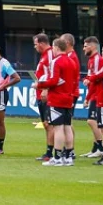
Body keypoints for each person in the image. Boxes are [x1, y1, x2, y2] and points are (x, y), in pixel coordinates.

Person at [34, 38, 78, 166]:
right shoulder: (72, 61)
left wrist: (39, 84)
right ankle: (68, 157)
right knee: (67, 127)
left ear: (56, 47)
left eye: (53, 47)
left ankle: (58, 158)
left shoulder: (56, 61)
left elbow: (53, 81)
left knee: (58, 128)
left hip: (57, 98)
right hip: (69, 97)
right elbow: (74, 81)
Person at [33, 33, 55, 161]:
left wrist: (46, 89)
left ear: (41, 43)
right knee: (46, 124)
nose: (35, 47)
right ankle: (49, 152)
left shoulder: (50, 54)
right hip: (40, 93)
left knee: (50, 124)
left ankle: (51, 152)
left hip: (47, 94)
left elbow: (53, 73)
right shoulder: (43, 56)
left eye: (35, 44)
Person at [81, 36, 103, 158]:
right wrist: (86, 79)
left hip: (96, 94)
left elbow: (95, 80)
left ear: (93, 46)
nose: (83, 48)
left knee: (91, 121)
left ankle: (100, 148)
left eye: (86, 46)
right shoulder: (91, 60)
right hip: (94, 93)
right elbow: (91, 78)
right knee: (93, 121)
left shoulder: (96, 60)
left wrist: (88, 98)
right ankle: (95, 148)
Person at [61, 33, 80, 157]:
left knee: (66, 123)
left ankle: (70, 149)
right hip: (71, 92)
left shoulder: (71, 57)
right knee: (67, 122)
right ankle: (69, 148)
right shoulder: (70, 56)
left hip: (70, 93)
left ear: (67, 43)